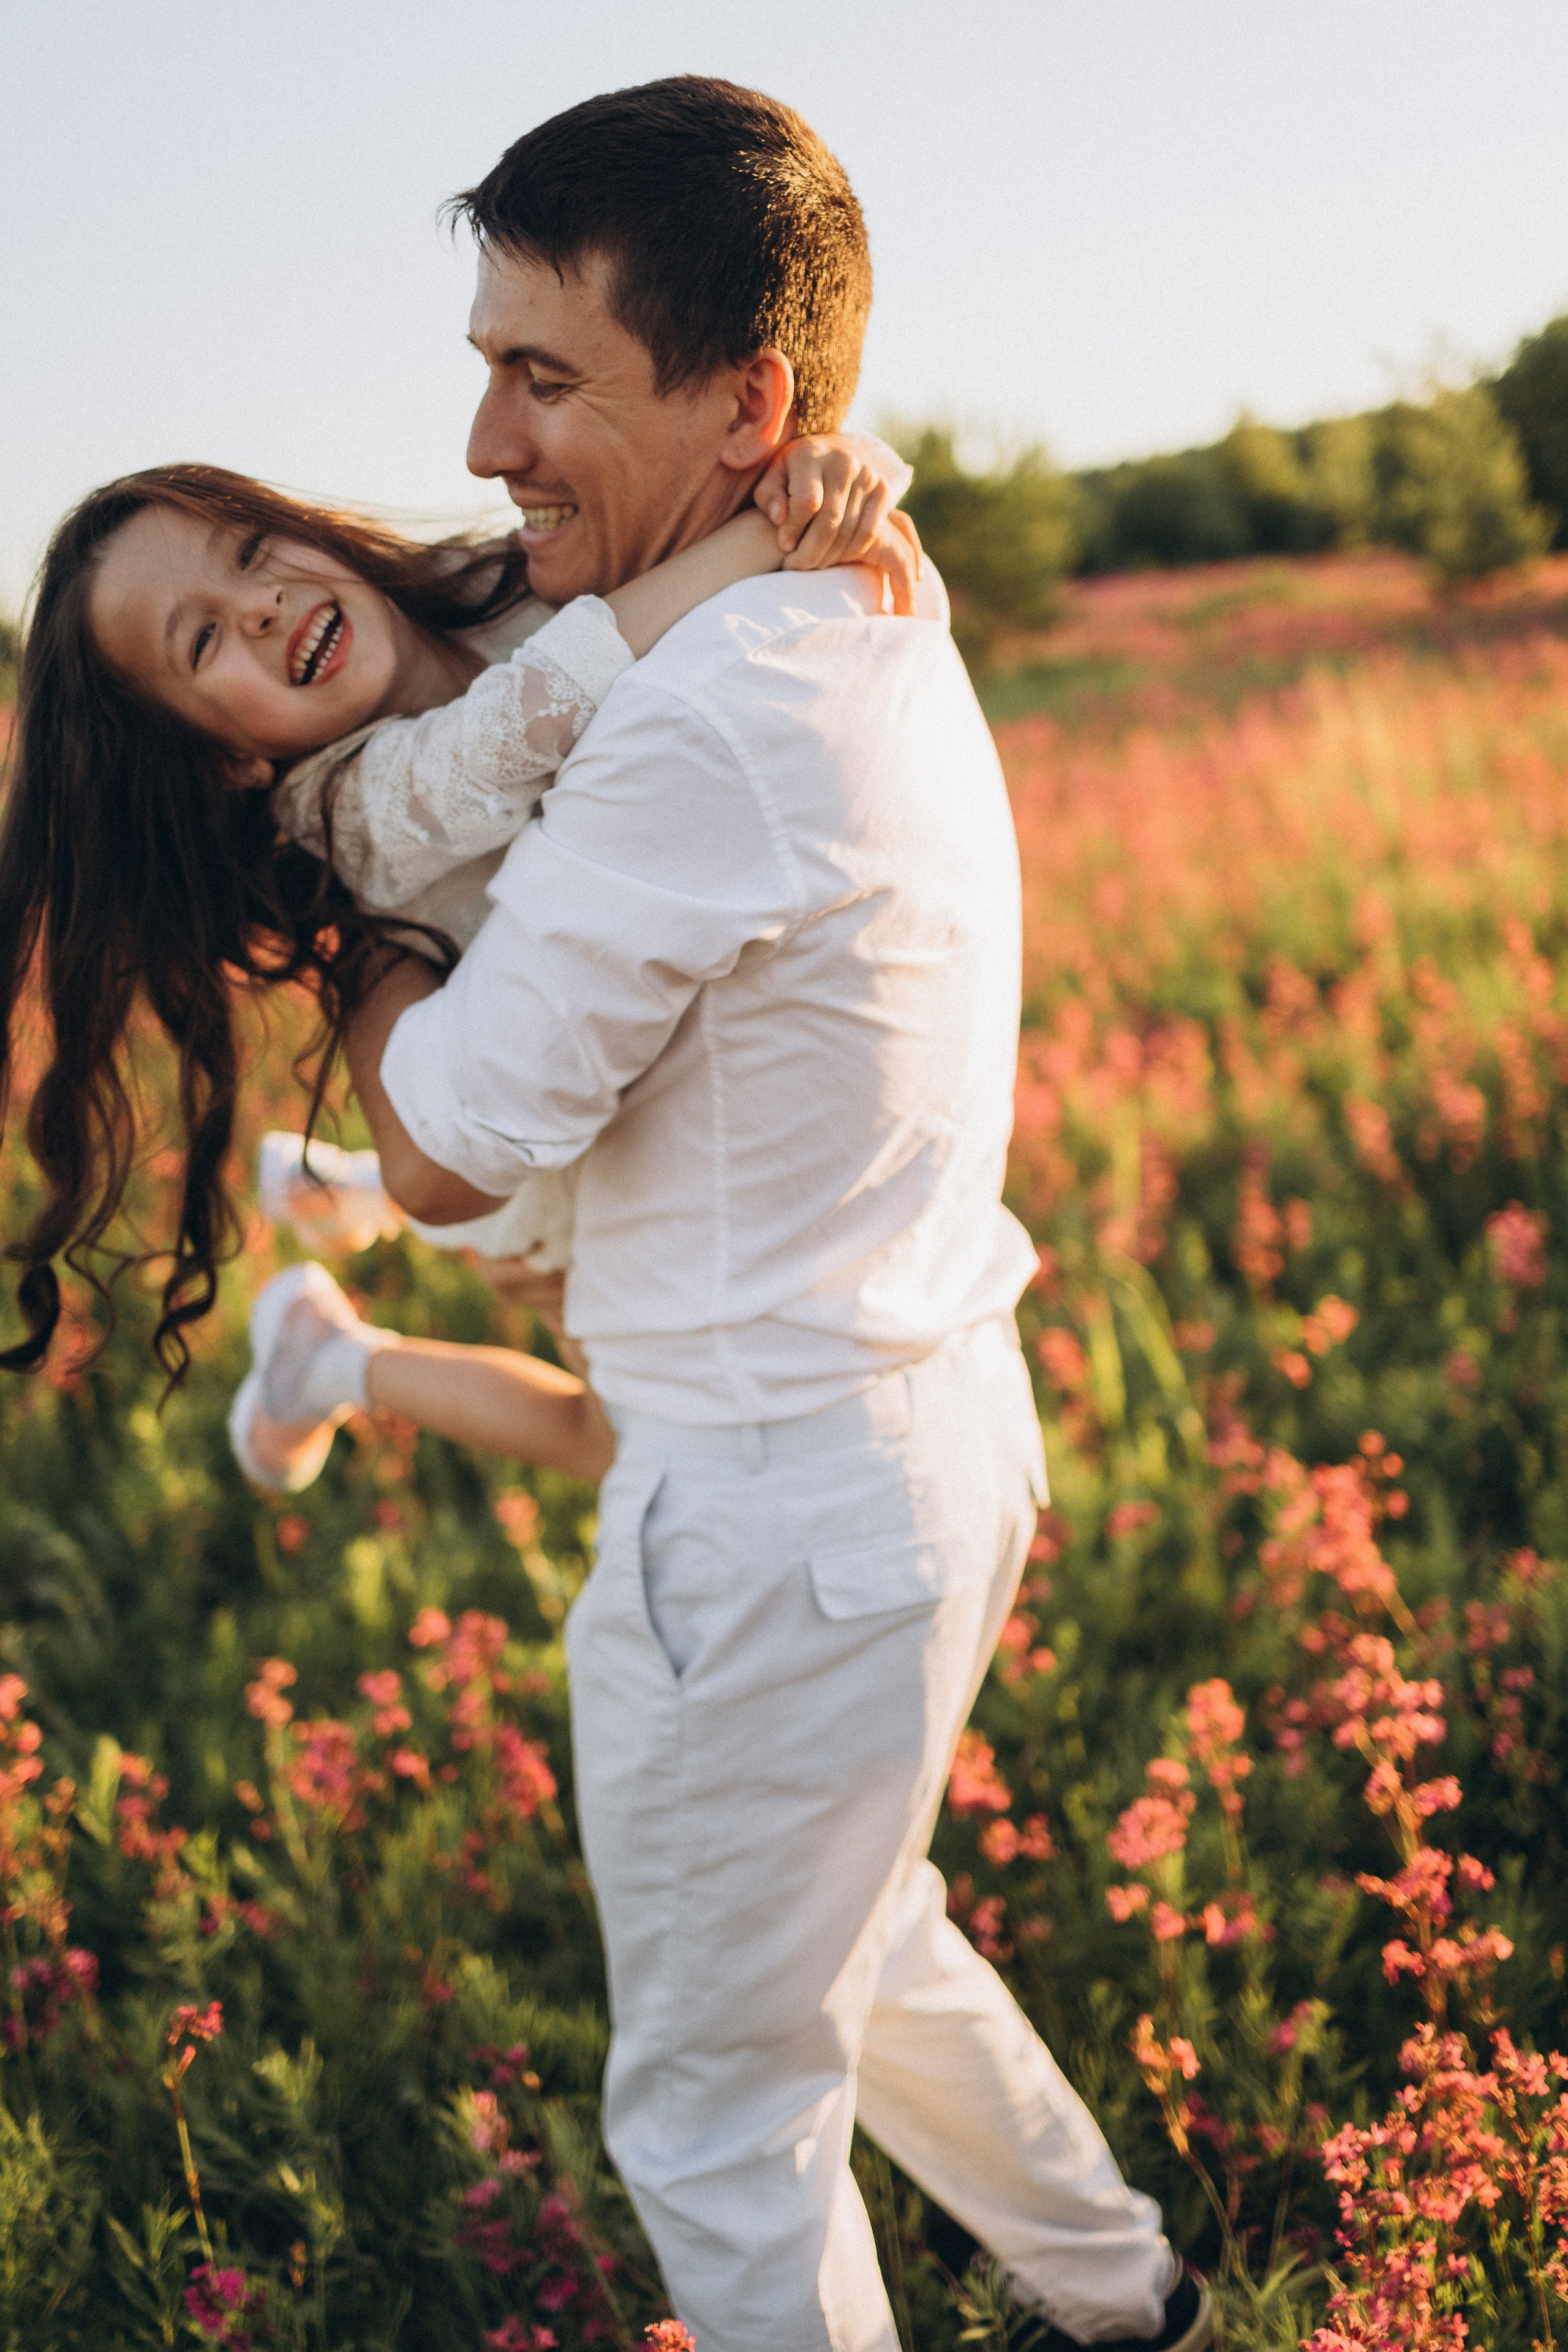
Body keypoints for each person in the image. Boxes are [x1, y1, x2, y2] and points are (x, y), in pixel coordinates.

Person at [336, 74, 1213, 2352]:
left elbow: (443, 1150)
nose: (488, 442)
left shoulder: (706, 707)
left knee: (720, 2118)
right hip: (910, 1441)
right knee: (866, 1940)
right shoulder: (826, 608)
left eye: (547, 379)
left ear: (750, 404)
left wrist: (351, 935)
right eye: (487, 366)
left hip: (769, 1515)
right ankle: (1133, 2297)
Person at [0, 434, 916, 1491]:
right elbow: (515, 728)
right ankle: (328, 1357)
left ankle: (344, 1199)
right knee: (613, 1439)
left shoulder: (484, 583)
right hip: (543, 1147)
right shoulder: (342, 805)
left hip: (598, 1044)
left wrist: (831, 473)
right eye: (202, 640)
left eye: (250, 552)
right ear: (229, 759)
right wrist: (766, 538)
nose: (258, 607)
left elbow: (692, 530)